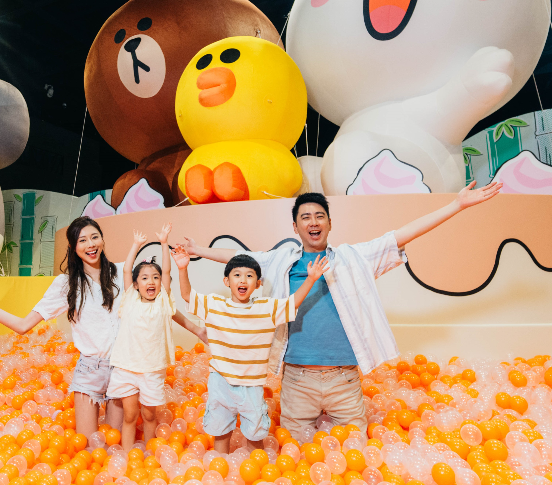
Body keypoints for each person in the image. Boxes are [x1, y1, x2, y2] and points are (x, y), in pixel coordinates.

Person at [183, 181, 503, 435]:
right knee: (297, 457)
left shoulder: (354, 258)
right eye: (305, 217)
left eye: (319, 215)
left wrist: (457, 205)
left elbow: (402, 235)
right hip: (297, 380)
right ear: (295, 227)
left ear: (329, 223)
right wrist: (198, 250)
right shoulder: (281, 261)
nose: (313, 222)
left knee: (354, 453)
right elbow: (239, 259)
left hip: (344, 379)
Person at [0, 216, 207, 439]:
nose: (90, 244)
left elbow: (159, 306)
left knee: (114, 444)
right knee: (87, 444)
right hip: (89, 370)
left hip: (123, 368)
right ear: (73, 247)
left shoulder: (122, 273)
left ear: (102, 240)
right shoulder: (66, 285)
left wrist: (198, 330)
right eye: (82, 240)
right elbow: (23, 326)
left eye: (94, 237)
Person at [173, 245, 327, 453]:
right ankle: (220, 462)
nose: (243, 280)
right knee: (220, 431)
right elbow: (187, 295)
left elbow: (293, 303)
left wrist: (311, 279)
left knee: (255, 433)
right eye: (237, 275)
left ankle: (256, 464)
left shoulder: (266, 308)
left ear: (258, 283)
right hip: (221, 381)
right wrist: (183, 268)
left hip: (252, 385)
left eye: (249, 275)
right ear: (227, 281)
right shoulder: (215, 305)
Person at [108, 224, 177, 450]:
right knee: (130, 415)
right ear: (136, 285)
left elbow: (167, 272)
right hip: (127, 367)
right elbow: (127, 270)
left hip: (152, 369)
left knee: (148, 415)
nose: (151, 281)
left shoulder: (162, 302)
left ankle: (149, 454)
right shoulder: (130, 300)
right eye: (145, 278)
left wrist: (164, 243)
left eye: (155, 277)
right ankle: (128, 455)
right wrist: (136, 245)